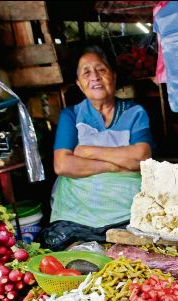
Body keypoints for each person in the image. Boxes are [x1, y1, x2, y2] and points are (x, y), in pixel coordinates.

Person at [43, 46, 153, 250]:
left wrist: (87, 151)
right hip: (77, 212)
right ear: (79, 83)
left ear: (113, 75)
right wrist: (116, 165)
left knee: (134, 253)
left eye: (101, 70)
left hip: (127, 211)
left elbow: (141, 157)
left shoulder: (134, 112)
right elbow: (63, 164)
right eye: (86, 72)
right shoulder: (71, 115)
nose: (94, 77)